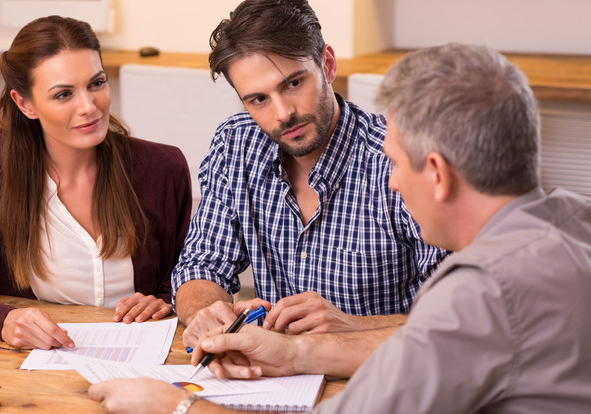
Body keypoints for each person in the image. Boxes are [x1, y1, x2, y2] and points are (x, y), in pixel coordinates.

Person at [89, 43, 591, 413]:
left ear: (436, 174)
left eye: (396, 163)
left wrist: (171, 406)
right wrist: (291, 354)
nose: (392, 181)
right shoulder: (571, 219)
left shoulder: (483, 292)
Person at [172, 0, 447, 363]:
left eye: (293, 83)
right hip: (272, 377)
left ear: (328, 65)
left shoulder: (397, 159)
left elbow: (460, 321)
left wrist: (353, 325)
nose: (283, 113)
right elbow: (200, 266)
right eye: (258, 99)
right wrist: (206, 312)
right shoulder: (235, 145)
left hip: (381, 376)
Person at [0, 16, 192, 350]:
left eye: (97, 83)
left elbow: (185, 276)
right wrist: (2, 321)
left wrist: (166, 299)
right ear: (25, 104)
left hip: (142, 358)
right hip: (37, 364)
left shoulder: (163, 168)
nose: (89, 107)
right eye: (64, 94)